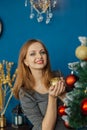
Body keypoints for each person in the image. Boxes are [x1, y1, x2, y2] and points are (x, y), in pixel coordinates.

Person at [13, 39, 75, 130]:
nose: (39, 56)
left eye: (42, 52)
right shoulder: (25, 93)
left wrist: (62, 94)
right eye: (32, 54)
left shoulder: (58, 76)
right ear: (25, 61)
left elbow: (78, 111)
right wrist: (52, 98)